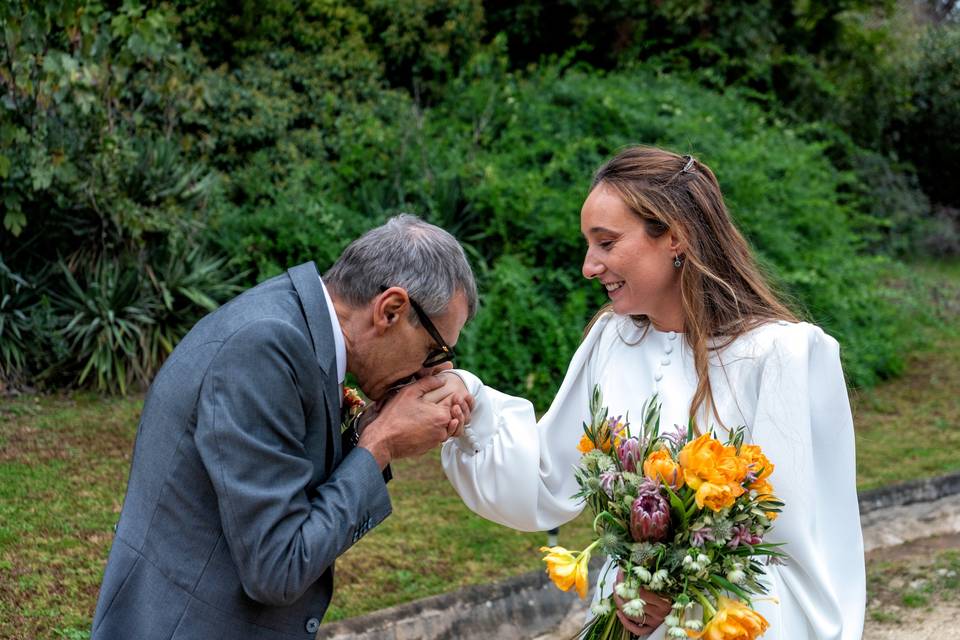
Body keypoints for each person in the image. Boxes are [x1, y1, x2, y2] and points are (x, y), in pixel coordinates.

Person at [432, 147, 865, 638]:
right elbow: (548, 478)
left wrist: (688, 598)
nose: (588, 266)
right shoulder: (613, 339)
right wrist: (469, 404)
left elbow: (797, 544)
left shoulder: (783, 356)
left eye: (606, 243)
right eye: (588, 245)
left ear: (675, 236)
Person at [91, 215, 477, 639]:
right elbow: (278, 568)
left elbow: (289, 485)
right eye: (433, 349)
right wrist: (379, 444)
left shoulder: (294, 329)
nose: (435, 370)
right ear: (391, 309)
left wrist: (369, 428)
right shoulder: (266, 349)